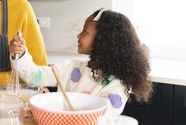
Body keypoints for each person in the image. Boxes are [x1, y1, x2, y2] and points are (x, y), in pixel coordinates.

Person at [9, 8, 154, 115]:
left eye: (84, 31)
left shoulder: (117, 86)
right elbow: (35, 76)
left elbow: (100, 117)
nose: (78, 35)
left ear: (102, 41)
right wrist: (21, 54)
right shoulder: (73, 68)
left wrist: (53, 101)